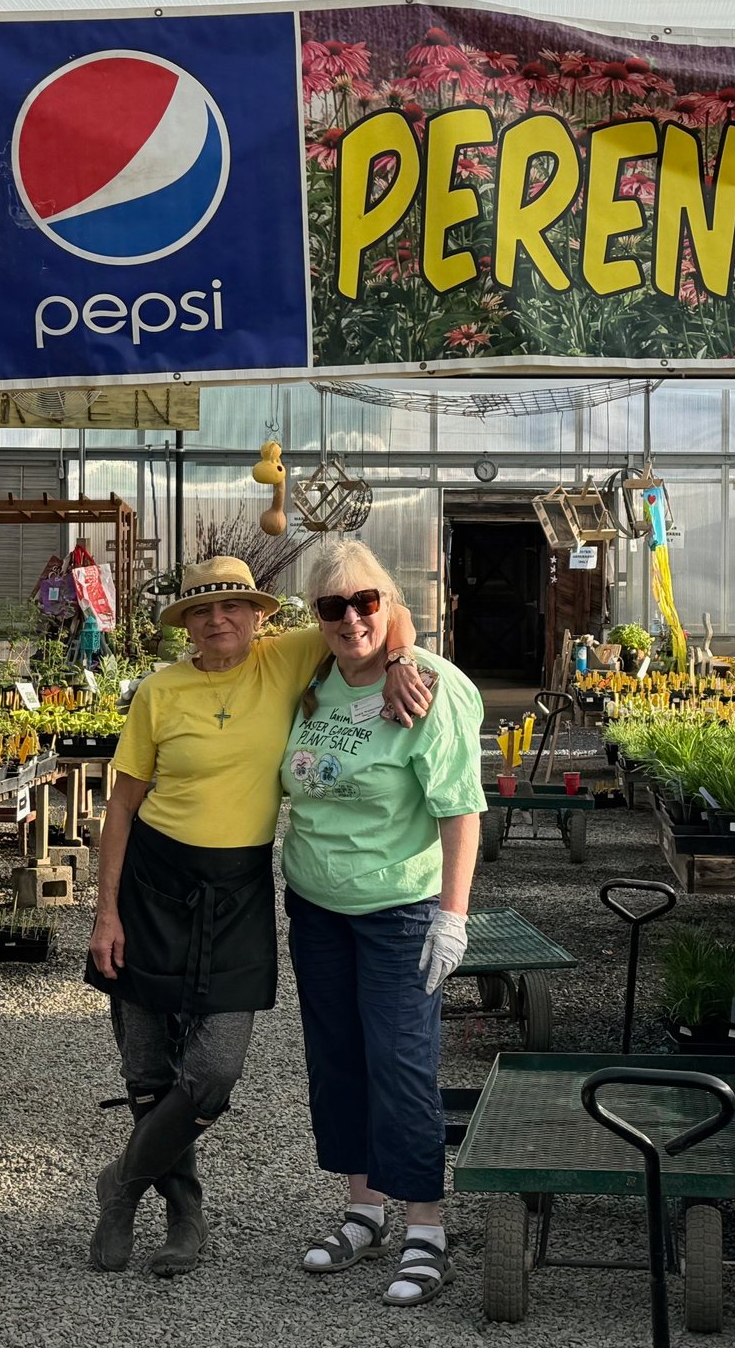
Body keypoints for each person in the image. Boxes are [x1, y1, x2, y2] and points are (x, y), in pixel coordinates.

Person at [86, 555, 433, 1278]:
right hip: (152, 883)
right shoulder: (158, 692)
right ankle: (184, 1217)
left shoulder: (289, 658)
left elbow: (372, 610)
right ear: (185, 624)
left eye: (233, 608)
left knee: (213, 1071)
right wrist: (105, 914)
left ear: (259, 616)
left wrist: (401, 656)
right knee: (148, 1068)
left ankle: (120, 1182)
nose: (219, 621)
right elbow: (121, 807)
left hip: (238, 887)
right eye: (202, 612)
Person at [282, 540, 484, 1307]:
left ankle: (425, 1228)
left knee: (401, 1063)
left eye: (367, 601)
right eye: (332, 607)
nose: (351, 618)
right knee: (338, 1059)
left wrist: (451, 918)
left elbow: (461, 807)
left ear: (390, 601)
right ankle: (363, 1210)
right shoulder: (314, 673)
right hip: (315, 907)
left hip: (398, 911)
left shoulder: (431, 689)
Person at [35, 556, 73, 639]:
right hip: (56, 614)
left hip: (58, 614)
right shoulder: (52, 584)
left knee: (55, 630)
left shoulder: (60, 582)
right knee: (54, 630)